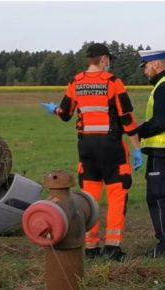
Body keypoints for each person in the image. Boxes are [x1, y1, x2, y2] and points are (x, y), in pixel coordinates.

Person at [41, 43, 143, 261]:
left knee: (89, 196)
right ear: (104, 59)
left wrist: (55, 110)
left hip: (86, 147)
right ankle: (113, 248)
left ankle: (91, 247)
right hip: (111, 147)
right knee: (117, 194)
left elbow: (66, 114)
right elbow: (127, 118)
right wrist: (136, 148)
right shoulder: (114, 83)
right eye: (109, 61)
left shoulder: (75, 82)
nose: (110, 64)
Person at [134, 50, 165, 258]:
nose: (145, 71)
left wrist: (138, 130)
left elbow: (161, 121)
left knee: (158, 197)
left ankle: (164, 246)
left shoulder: (162, 87)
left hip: (161, 153)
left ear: (156, 64)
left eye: (145, 66)